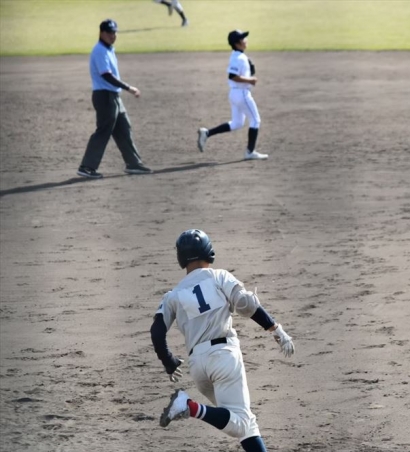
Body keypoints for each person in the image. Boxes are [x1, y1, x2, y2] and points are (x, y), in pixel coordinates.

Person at [150, 229, 295, 452]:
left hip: (198, 366)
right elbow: (246, 304)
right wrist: (275, 329)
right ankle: (189, 406)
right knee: (241, 422)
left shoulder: (173, 295)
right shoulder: (219, 276)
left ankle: (190, 407)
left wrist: (168, 361)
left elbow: (157, 332)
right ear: (208, 251)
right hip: (224, 358)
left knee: (245, 424)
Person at [77, 19, 151, 179]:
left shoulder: (109, 49)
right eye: (110, 33)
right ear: (102, 33)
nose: (113, 35)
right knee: (104, 130)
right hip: (104, 96)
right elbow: (106, 75)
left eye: (114, 32)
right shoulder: (100, 51)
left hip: (114, 97)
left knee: (124, 129)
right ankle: (87, 167)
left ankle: (133, 163)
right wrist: (128, 87)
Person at [197, 30, 269, 160]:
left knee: (237, 123)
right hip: (242, 94)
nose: (245, 40)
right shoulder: (238, 57)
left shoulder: (238, 55)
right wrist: (250, 80)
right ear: (237, 43)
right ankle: (250, 152)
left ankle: (207, 133)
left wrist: (249, 72)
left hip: (234, 94)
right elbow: (232, 76)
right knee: (255, 120)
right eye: (243, 38)